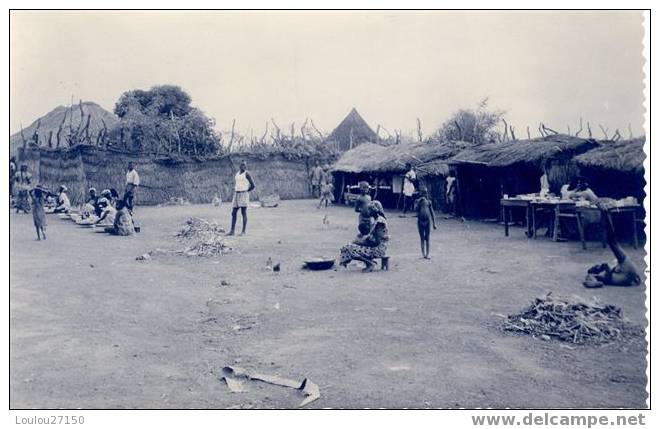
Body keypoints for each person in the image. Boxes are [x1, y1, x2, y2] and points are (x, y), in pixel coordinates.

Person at [583, 202, 641, 288]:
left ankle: (606, 214)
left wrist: (604, 268)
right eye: (596, 267)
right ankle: (606, 213)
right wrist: (604, 267)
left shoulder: (606, 274)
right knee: (612, 242)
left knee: (613, 243)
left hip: (628, 274)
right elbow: (606, 277)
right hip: (627, 272)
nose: (597, 266)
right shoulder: (598, 276)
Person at [339, 201, 389, 272]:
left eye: (370, 209)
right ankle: (368, 262)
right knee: (347, 247)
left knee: (349, 248)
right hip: (376, 247)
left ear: (374, 210)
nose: (368, 211)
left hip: (378, 249)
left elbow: (377, 242)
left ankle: (370, 264)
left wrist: (361, 243)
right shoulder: (377, 220)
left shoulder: (380, 222)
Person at [227, 160, 256, 236]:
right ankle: (232, 231)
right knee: (233, 213)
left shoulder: (247, 174)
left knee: (243, 213)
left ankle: (243, 232)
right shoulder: (237, 174)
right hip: (236, 194)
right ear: (239, 166)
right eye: (242, 165)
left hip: (243, 194)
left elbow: (253, 185)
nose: (244, 166)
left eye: (245, 165)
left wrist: (246, 191)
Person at [414, 188, 437, 259]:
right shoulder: (418, 201)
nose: (425, 194)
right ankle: (423, 253)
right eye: (423, 193)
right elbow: (415, 209)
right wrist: (418, 203)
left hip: (427, 221)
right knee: (422, 237)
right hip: (420, 221)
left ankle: (427, 254)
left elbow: (432, 213)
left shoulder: (429, 202)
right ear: (421, 194)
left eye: (426, 193)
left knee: (427, 237)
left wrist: (434, 223)